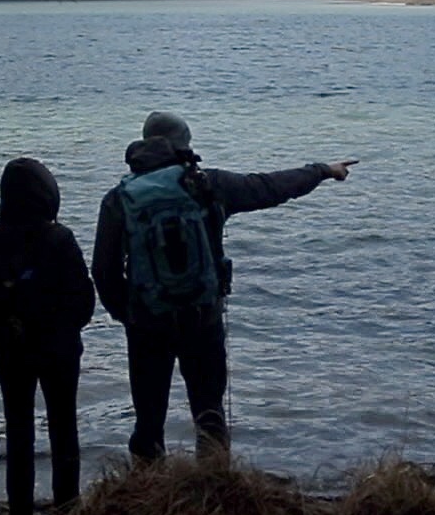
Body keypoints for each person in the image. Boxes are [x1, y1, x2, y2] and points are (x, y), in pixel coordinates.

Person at [93, 112, 354, 462]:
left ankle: (144, 499)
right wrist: (322, 170)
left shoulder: (119, 199)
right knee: (209, 414)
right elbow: (270, 187)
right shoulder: (208, 185)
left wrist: (130, 316)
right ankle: (216, 492)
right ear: (184, 145)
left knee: (148, 421)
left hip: (147, 324)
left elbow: (104, 272)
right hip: (203, 318)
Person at [0, 156, 94, 515]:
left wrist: (7, 323)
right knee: (64, 430)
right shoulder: (59, 238)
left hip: (9, 350)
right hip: (59, 351)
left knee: (18, 432)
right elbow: (85, 301)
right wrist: (61, 327)